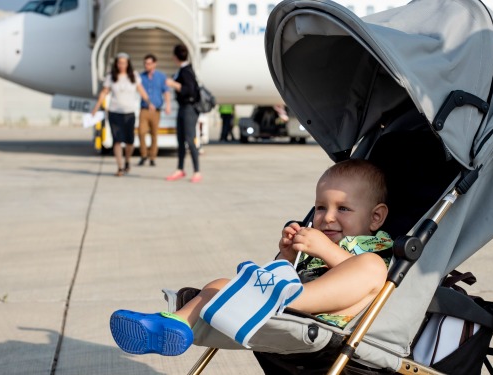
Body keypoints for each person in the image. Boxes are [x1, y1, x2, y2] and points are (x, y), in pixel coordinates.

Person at [109, 159, 393, 356]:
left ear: (376, 216)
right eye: (320, 207)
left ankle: (288, 297)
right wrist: (289, 255)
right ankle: (175, 324)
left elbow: (364, 279)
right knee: (219, 284)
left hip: (333, 320)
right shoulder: (317, 245)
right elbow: (294, 271)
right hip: (285, 308)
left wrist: (325, 250)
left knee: (372, 267)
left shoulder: (375, 244)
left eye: (343, 209)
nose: (327, 217)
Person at [91, 52, 151, 176]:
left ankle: (127, 160)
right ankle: (120, 166)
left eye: (124, 63)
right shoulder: (111, 77)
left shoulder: (133, 76)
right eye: (119, 63)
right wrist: (96, 107)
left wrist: (149, 102)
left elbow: (141, 90)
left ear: (128, 64)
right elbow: (104, 92)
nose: (121, 65)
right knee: (117, 140)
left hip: (129, 112)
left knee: (129, 141)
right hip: (115, 112)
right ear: (116, 64)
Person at [165, 44, 202, 183]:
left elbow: (189, 90)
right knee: (181, 140)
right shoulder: (183, 69)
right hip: (183, 108)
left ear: (175, 56)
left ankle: (197, 171)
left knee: (189, 139)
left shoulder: (186, 71)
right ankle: (180, 169)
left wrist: (173, 84)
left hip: (189, 109)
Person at [137, 54, 171, 167]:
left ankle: (152, 157)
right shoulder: (141, 77)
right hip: (144, 109)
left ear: (154, 64)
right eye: (145, 63)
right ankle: (143, 155)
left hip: (156, 110)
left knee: (154, 134)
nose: (147, 65)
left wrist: (168, 105)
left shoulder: (161, 77)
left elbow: (166, 91)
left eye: (149, 63)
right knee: (141, 132)